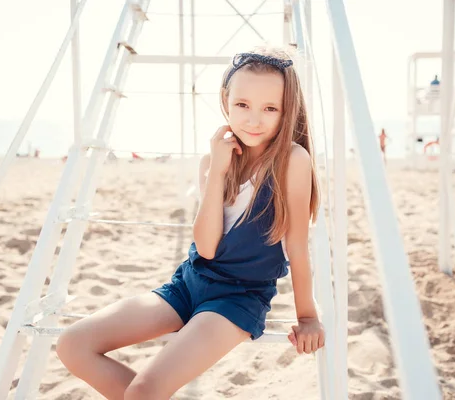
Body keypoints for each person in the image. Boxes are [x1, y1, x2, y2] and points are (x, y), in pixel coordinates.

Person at [56, 46, 325, 400]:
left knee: (143, 392)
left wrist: (307, 316)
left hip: (237, 298)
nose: (253, 120)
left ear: (287, 111)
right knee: (73, 344)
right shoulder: (212, 161)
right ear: (225, 100)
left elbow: (296, 247)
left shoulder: (293, 160)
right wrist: (217, 169)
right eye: (242, 105)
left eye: (270, 108)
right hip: (189, 283)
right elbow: (207, 246)